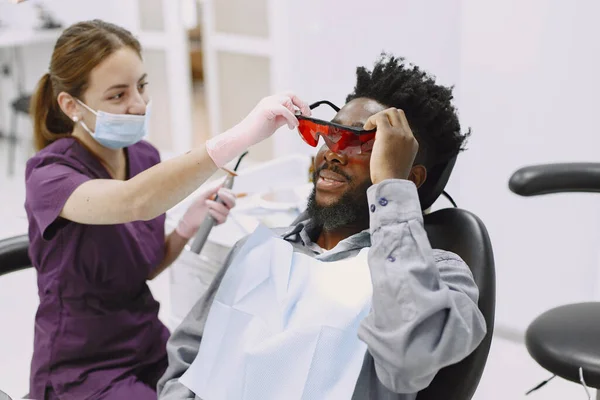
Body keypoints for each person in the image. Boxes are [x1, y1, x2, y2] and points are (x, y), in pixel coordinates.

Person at [157, 54, 487, 400]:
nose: (333, 153)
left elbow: (409, 359)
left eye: (364, 143)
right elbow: (189, 358)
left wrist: (390, 188)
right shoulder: (257, 249)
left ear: (408, 177)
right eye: (332, 135)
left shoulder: (439, 276)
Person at [24, 19, 310, 400]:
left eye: (142, 86)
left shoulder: (143, 157)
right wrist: (241, 135)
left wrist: (184, 228)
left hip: (146, 342)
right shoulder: (49, 176)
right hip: (81, 364)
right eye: (117, 95)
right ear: (70, 105)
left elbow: (144, 265)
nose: (139, 104)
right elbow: (133, 201)